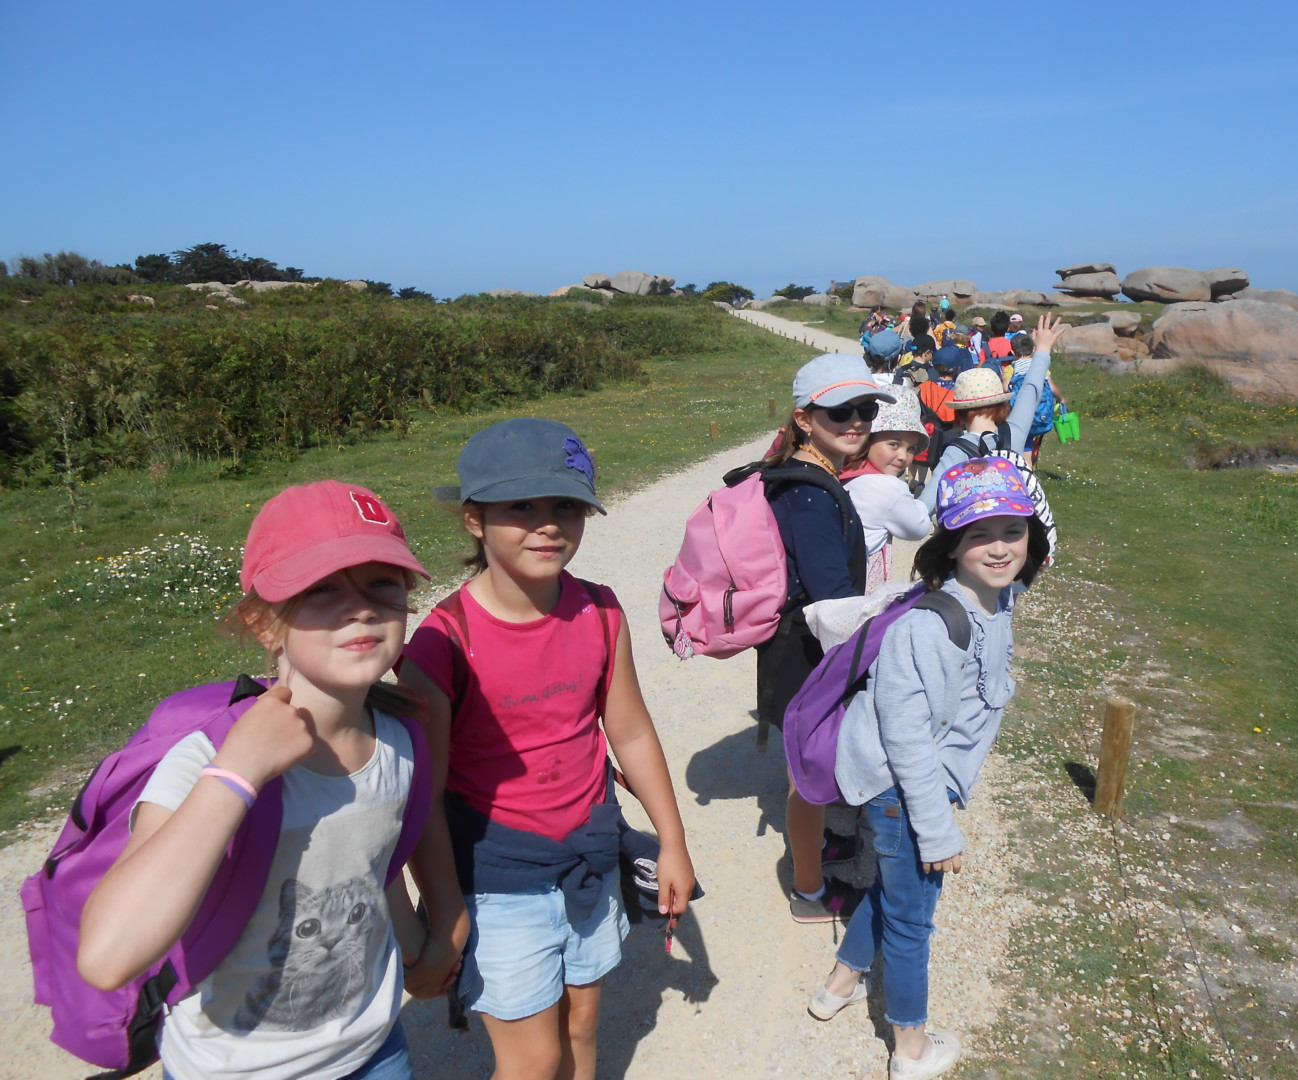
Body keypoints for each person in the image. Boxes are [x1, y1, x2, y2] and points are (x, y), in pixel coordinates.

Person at [78, 480, 434, 1080]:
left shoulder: (400, 738)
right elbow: (109, 956)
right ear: (265, 625)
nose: (362, 608)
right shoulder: (206, 758)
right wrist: (238, 773)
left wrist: (421, 947)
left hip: (374, 1052)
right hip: (232, 1068)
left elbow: (374, 865)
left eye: (383, 583)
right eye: (322, 589)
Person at [399, 418, 696, 1080]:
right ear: (474, 519)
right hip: (499, 874)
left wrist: (671, 841)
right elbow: (424, 795)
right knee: (531, 1061)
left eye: (566, 505)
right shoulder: (441, 645)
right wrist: (445, 906)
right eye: (520, 507)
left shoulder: (601, 612)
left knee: (583, 1024)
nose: (548, 524)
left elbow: (632, 731)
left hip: (588, 850)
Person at [808, 456, 1050, 1080]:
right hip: (904, 790)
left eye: (1013, 531)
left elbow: (1024, 549)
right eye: (978, 535)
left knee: (896, 889)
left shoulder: (999, 594)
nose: (999, 548)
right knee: (914, 918)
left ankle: (837, 986)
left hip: (918, 786)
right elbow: (907, 738)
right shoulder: (929, 626)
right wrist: (936, 827)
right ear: (950, 545)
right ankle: (910, 1050)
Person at [759, 355, 894, 922]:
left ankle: (815, 855)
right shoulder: (811, 494)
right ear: (805, 419)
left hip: (798, 643)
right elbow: (833, 600)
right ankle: (810, 893)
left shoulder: (810, 477)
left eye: (866, 410)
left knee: (808, 769)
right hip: (807, 651)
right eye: (841, 412)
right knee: (807, 778)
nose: (858, 422)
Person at [922, 312, 1067, 501]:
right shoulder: (1015, 433)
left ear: (958, 411)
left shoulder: (955, 451)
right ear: (1001, 404)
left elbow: (923, 509)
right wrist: (1042, 350)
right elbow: (1031, 388)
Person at [840, 390, 932, 592]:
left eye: (911, 449)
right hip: (860, 586)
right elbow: (919, 528)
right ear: (868, 439)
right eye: (894, 444)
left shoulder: (844, 471)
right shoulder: (888, 487)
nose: (903, 457)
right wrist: (919, 504)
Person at [1008, 332, 1066, 467]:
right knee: (1033, 439)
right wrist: (1061, 398)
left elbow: (1006, 388)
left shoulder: (1012, 368)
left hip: (1019, 413)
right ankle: (1032, 465)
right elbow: (1051, 387)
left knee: (1024, 441)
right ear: (1034, 349)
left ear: (1012, 351)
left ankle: (1025, 469)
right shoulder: (1040, 367)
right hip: (1040, 413)